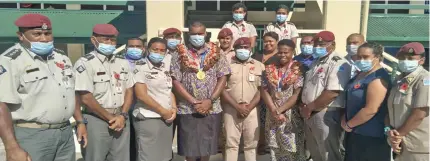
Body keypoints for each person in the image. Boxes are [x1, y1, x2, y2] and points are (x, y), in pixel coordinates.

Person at [0, 13, 87, 161]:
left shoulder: (61, 58)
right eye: (37, 34)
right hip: (32, 135)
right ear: (21, 35)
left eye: (48, 33)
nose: (44, 38)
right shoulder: (10, 61)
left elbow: (71, 92)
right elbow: (2, 105)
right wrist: (11, 147)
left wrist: (80, 121)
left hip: (65, 133)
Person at [170, 21, 230, 161]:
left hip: (211, 108)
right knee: (189, 147)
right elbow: (175, 80)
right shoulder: (179, 53)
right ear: (188, 35)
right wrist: (194, 102)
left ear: (206, 34)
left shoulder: (217, 52)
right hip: (187, 108)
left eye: (200, 33)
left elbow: (223, 77)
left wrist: (210, 100)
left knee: (206, 146)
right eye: (194, 34)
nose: (197, 36)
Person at [74, 24, 134, 161]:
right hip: (96, 120)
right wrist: (110, 118)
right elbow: (86, 98)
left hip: (121, 119)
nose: (110, 43)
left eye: (113, 40)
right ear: (93, 40)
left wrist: (123, 115)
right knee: (96, 157)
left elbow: (129, 90)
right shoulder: (85, 64)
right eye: (105, 39)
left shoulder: (122, 62)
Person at [300, 31, 350, 161]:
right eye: (315, 44)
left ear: (332, 44)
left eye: (321, 44)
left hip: (326, 113)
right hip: (310, 112)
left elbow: (333, 92)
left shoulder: (338, 63)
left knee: (329, 153)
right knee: (315, 152)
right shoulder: (316, 61)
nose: (317, 47)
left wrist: (310, 107)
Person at [342, 42, 391, 161]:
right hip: (354, 132)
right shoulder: (362, 74)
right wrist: (345, 118)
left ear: (377, 58)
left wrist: (349, 124)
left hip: (370, 135)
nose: (361, 60)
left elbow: (371, 109)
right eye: (359, 56)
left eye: (365, 57)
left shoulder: (378, 78)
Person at [261, 39, 306, 161]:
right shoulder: (269, 68)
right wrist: (273, 110)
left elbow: (296, 95)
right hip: (272, 115)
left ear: (293, 52)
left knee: (291, 147)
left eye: (286, 52)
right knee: (274, 146)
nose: (282, 55)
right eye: (280, 52)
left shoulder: (298, 69)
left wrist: (280, 110)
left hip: (290, 115)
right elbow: (264, 90)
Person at [132, 37, 176, 161]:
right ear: (147, 49)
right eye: (155, 49)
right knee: (149, 157)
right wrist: (163, 111)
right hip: (149, 118)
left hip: (166, 118)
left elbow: (169, 90)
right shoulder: (140, 67)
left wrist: (173, 108)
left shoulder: (164, 68)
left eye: (162, 50)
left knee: (164, 156)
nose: (159, 53)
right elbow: (141, 95)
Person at [222, 37, 264, 161]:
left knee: (251, 145)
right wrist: (237, 106)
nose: (243, 50)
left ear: (251, 49)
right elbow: (222, 89)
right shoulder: (226, 66)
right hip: (231, 110)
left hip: (252, 111)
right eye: (240, 48)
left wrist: (249, 107)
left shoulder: (259, 66)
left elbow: (262, 90)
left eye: (246, 47)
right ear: (234, 50)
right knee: (231, 144)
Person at [386, 42, 429, 161]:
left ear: (421, 60)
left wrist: (398, 136)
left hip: (417, 146)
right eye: (402, 58)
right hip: (399, 144)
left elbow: (419, 114)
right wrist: (389, 132)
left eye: (410, 58)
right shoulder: (399, 80)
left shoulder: (425, 80)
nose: (405, 61)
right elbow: (389, 111)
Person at [251, 31, 280, 155]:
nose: (268, 44)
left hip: (272, 94)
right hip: (255, 92)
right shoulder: (257, 55)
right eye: (266, 41)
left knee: (272, 119)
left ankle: (273, 145)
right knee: (259, 121)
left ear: (276, 42)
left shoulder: (280, 56)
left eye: (271, 41)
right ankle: (260, 144)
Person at [124, 37, 146, 161]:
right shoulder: (120, 63)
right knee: (128, 142)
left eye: (138, 47)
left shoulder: (147, 63)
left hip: (143, 109)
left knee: (141, 143)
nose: (135, 49)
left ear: (143, 49)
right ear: (126, 48)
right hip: (126, 109)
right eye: (132, 46)